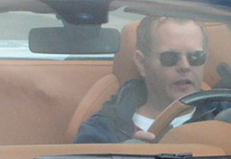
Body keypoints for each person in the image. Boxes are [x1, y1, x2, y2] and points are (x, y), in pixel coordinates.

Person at [75, 17, 211, 142]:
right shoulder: (103, 131)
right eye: (170, 57)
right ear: (141, 63)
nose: (185, 66)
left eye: (195, 57)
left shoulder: (228, 118)